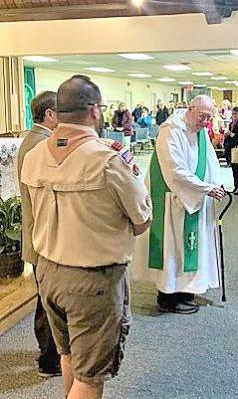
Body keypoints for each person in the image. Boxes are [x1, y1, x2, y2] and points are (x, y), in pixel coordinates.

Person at [21, 75, 152, 399]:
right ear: (95, 111)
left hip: (48, 273)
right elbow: (142, 217)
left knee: (69, 356)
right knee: (91, 375)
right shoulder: (107, 160)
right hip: (92, 280)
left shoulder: (34, 155)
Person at [132, 95, 224, 314]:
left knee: (192, 245)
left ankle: (185, 292)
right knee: (172, 250)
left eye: (209, 118)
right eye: (202, 116)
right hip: (171, 201)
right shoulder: (171, 130)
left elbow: (210, 160)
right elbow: (174, 169)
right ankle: (167, 297)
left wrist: (217, 184)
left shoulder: (200, 131)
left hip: (194, 198)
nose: (205, 122)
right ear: (190, 109)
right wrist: (204, 188)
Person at [17, 91, 60, 377]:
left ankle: (49, 354)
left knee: (47, 297)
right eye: (61, 112)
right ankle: (48, 359)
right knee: (48, 300)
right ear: (49, 115)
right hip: (42, 235)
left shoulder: (34, 140)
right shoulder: (41, 145)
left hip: (38, 233)